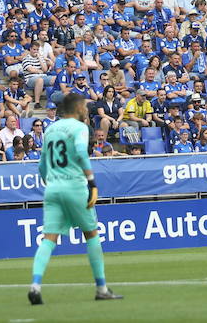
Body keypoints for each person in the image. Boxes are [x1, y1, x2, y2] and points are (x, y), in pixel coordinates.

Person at [28, 92, 122, 304]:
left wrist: (51, 181)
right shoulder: (79, 128)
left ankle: (35, 285)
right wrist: (92, 182)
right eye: (84, 106)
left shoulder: (50, 129)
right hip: (75, 186)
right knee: (91, 234)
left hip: (53, 188)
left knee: (49, 239)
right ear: (77, 107)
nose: (86, 110)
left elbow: (42, 165)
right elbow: (80, 152)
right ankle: (101, 288)